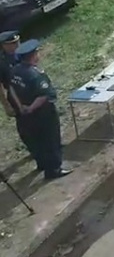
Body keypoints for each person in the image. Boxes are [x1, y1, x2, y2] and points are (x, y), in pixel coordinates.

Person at [9, 39, 70, 180]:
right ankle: (54, 170)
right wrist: (30, 108)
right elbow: (43, 96)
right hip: (42, 114)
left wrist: (20, 107)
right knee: (51, 140)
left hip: (24, 115)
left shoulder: (15, 70)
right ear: (33, 55)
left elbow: (11, 89)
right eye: (37, 52)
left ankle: (41, 164)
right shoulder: (35, 74)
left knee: (35, 140)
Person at [0, 31, 21, 119]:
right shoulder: (2, 62)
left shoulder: (23, 53)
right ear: (4, 45)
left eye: (17, 41)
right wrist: (6, 105)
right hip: (16, 94)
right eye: (13, 43)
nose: (17, 44)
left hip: (31, 89)